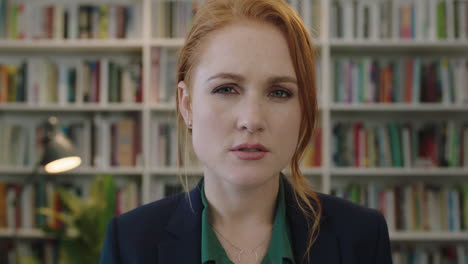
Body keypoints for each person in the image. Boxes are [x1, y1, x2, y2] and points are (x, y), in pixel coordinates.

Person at [100, 0, 393, 263]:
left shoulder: (362, 236)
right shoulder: (130, 242)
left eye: (279, 92)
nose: (251, 120)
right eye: (226, 89)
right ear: (187, 105)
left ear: (304, 109)